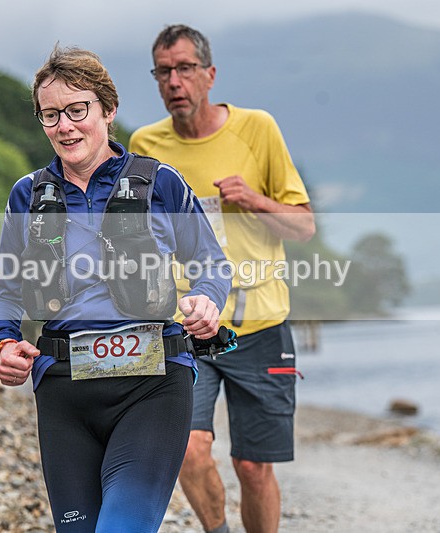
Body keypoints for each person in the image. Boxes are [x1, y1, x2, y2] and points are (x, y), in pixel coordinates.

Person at [0, 44, 231, 533]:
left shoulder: (160, 183)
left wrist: (206, 300)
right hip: (63, 393)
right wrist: (4, 341)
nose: (65, 126)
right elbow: (4, 289)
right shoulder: (28, 195)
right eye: (51, 115)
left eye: (78, 110)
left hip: (153, 386)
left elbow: (211, 264)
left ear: (107, 110)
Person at [129, 25, 316, 533]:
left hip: (260, 324)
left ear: (209, 75)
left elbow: (303, 226)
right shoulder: (146, 144)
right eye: (163, 72)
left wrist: (254, 200)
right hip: (187, 322)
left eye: (185, 69)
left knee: (253, 467)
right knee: (188, 449)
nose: (174, 82)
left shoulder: (257, 129)